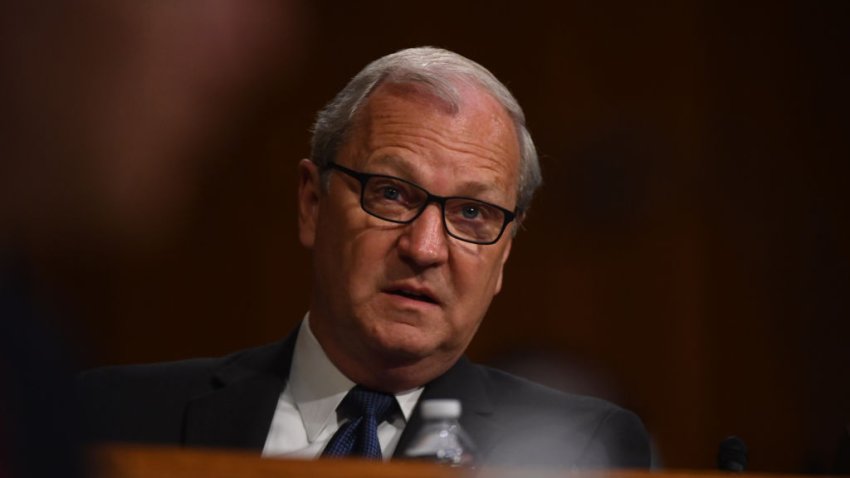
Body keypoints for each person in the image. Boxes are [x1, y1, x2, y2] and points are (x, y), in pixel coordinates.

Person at [77, 47, 651, 468]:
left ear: (504, 255)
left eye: (472, 214)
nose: (425, 250)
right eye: (392, 193)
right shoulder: (117, 416)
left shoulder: (580, 451)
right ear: (312, 204)